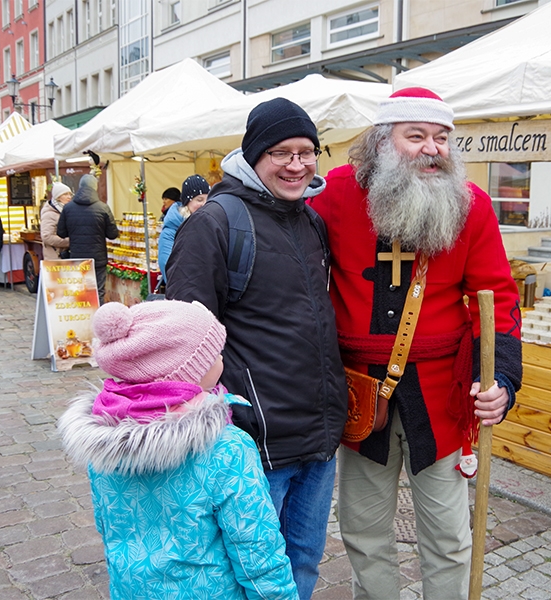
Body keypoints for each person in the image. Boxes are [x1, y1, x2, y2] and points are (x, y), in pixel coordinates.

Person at [309, 87, 522, 599]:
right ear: (384, 141)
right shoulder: (334, 194)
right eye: (417, 136)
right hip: (360, 392)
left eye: (442, 138)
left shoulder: (472, 205)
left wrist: (502, 382)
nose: (433, 148)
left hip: (443, 396)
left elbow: (499, 301)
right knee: (362, 530)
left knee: (449, 536)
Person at [166, 98, 347, 599]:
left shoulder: (310, 222)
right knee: (245, 572)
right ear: (253, 156)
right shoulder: (216, 223)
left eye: (307, 151)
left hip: (317, 436)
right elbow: (185, 339)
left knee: (303, 562)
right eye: (281, 152)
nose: (297, 164)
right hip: (255, 443)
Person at [57, 299, 299, 599]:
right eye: (213, 354)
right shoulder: (225, 449)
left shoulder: (103, 442)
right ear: (188, 373)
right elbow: (257, 551)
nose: (221, 358)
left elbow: (109, 529)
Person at [56, 174, 119, 304]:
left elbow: (61, 233)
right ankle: (98, 320)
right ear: (95, 188)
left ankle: (81, 319)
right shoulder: (103, 207)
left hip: (77, 256)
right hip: (98, 257)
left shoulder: (68, 208)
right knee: (98, 290)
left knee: (79, 290)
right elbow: (112, 234)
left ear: (80, 187)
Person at [156, 175, 210, 282]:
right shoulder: (171, 228)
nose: (204, 204)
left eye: (208, 199)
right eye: (199, 200)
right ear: (187, 202)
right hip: (183, 290)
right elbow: (167, 265)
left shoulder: (209, 224)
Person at [41, 182, 72, 260]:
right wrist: (70, 241)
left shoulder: (66, 210)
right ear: (58, 197)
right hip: (55, 257)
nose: (69, 197)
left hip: (65, 256)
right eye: (65, 194)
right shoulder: (49, 214)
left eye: (70, 194)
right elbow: (47, 237)